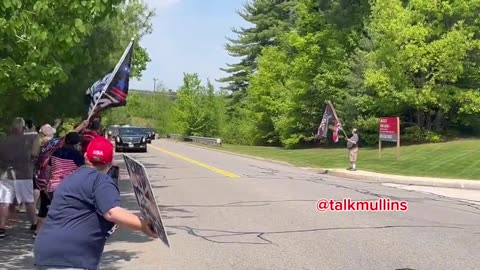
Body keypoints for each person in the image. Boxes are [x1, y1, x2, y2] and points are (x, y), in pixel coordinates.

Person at [34, 137, 158, 269]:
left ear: (86, 156)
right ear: (111, 162)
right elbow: (112, 212)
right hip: (71, 258)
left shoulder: (71, 177)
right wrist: (144, 225)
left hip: (47, 252)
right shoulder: (101, 180)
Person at [35, 132, 84, 236]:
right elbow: (82, 173)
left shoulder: (56, 152)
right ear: (77, 143)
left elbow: (48, 169)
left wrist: (48, 183)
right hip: (67, 188)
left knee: (45, 209)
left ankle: (38, 232)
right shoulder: (77, 156)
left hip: (52, 186)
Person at [0, 117, 38, 238]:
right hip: (24, 174)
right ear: (23, 127)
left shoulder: (4, 139)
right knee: (29, 201)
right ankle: (35, 224)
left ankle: (1, 227)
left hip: (6, 173)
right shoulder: (30, 138)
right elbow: (35, 152)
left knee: (4, 202)